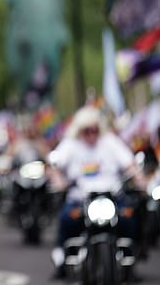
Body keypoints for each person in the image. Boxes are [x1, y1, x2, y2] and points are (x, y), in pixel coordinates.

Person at [49, 105, 145, 278]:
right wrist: (58, 181)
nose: (92, 135)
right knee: (66, 219)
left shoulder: (109, 141)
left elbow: (130, 164)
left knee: (129, 218)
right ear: (79, 130)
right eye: (87, 131)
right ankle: (63, 258)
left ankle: (131, 258)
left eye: (95, 130)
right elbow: (54, 166)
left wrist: (139, 179)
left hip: (112, 198)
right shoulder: (70, 144)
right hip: (81, 200)